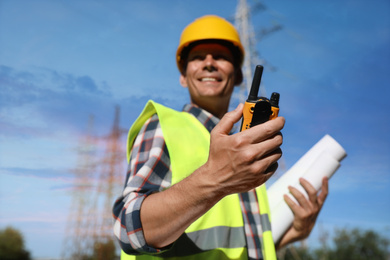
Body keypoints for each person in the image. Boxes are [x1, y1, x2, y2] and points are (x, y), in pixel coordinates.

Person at [113, 15, 328, 260]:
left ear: (237, 76)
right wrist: (215, 179)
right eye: (197, 57)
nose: (209, 63)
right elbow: (127, 229)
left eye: (221, 57)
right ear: (183, 77)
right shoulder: (163, 126)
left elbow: (241, 247)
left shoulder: (242, 155)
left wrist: (295, 233)